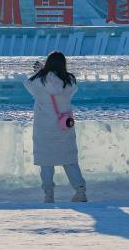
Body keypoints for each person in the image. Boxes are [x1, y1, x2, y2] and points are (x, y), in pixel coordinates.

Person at [25, 51, 87, 203]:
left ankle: (48, 194)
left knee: (46, 161)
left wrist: (41, 71)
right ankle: (80, 191)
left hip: (44, 127)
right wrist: (45, 71)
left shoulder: (40, 80)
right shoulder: (70, 80)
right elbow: (64, 89)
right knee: (69, 159)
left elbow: (28, 85)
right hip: (64, 125)